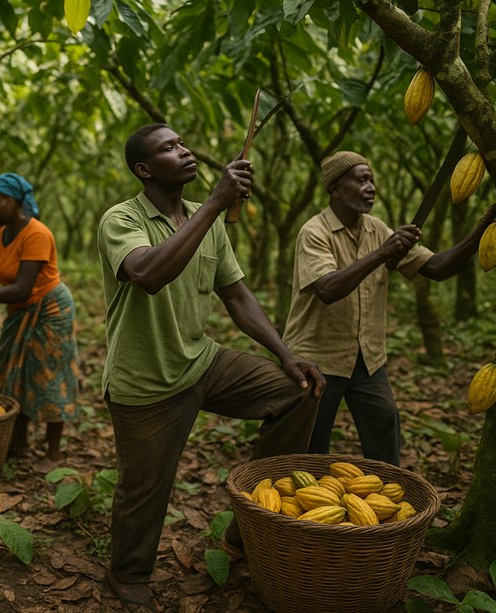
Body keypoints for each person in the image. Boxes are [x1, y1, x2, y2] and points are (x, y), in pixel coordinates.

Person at [97, 123, 325, 610]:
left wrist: (287, 356)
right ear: (144, 169)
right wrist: (215, 204)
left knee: (298, 392)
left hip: (203, 360)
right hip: (145, 380)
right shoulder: (122, 219)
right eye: (168, 149)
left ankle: (252, 524)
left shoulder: (208, 221)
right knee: (145, 489)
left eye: (182, 144)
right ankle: (128, 575)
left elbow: (236, 295)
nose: (184, 152)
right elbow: (148, 275)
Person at [282, 151, 496, 466]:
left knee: (384, 430)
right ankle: (311, 512)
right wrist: (383, 253)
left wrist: (481, 230)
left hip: (367, 359)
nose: (370, 187)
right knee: (312, 444)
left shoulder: (376, 229)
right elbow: (328, 289)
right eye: (360, 181)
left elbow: (437, 268)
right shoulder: (314, 232)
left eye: (371, 180)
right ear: (335, 189)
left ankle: (388, 503)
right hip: (317, 358)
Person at [0, 172, 79, 470]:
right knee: (11, 370)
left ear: (15, 201)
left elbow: (22, 287)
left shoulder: (37, 234)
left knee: (47, 373)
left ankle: (53, 453)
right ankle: (18, 444)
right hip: (19, 310)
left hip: (49, 307)